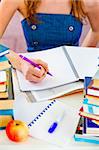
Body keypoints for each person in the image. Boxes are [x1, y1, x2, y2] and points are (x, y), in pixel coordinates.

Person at [0, 0, 99, 83]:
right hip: (33, 73)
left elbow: (96, 30)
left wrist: (82, 60)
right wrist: (21, 63)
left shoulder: (89, 2)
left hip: (73, 78)